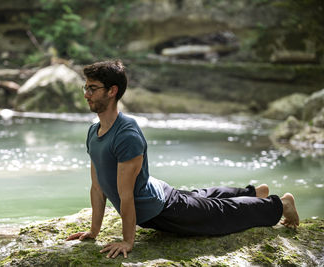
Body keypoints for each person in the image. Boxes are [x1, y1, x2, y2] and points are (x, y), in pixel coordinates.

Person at [66, 60, 299, 259]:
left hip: (162, 209)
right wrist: (93, 232)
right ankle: (253, 193)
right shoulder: (94, 132)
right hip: (157, 194)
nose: (86, 94)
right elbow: (98, 188)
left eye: (92, 88)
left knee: (220, 215)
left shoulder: (126, 135)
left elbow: (126, 195)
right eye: (85, 87)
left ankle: (280, 204)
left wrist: (128, 242)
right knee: (200, 197)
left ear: (112, 91)